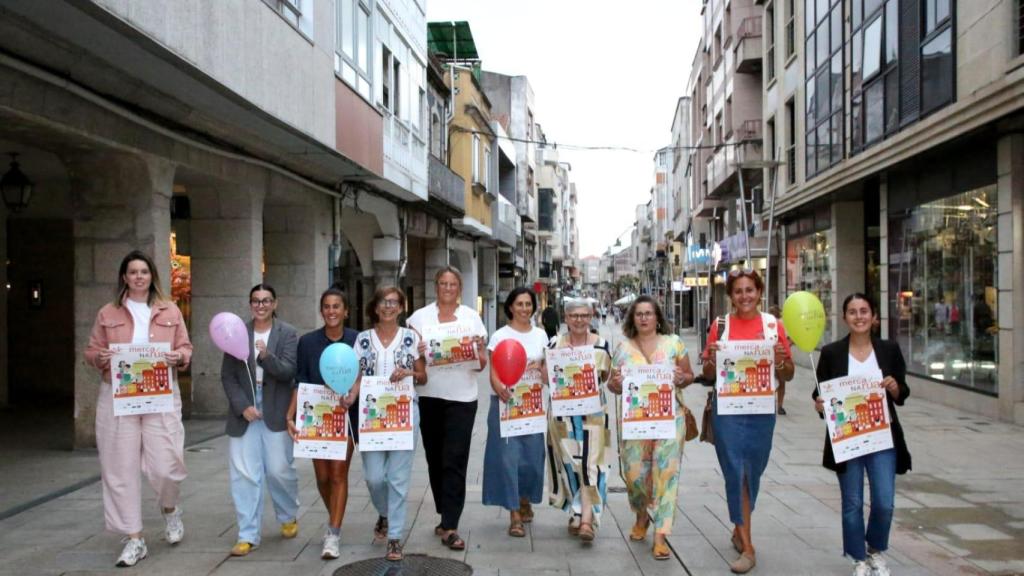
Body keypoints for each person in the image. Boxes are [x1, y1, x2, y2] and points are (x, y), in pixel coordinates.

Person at [85, 250, 192, 567]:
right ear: (124, 277)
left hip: (160, 393)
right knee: (119, 468)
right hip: (119, 394)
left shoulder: (169, 309)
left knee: (166, 464)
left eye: (143, 272)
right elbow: (91, 350)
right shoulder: (108, 312)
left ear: (151, 276)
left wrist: (179, 357)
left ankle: (170, 508)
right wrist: (99, 357)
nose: (138, 277)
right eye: (132, 272)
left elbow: (185, 347)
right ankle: (134, 538)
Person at [700, 269, 794, 574]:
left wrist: (780, 359)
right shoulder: (720, 326)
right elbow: (709, 374)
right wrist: (711, 358)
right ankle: (748, 547)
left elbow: (788, 373)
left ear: (759, 292)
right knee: (736, 472)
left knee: (753, 471)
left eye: (749, 290)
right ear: (731, 296)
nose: (744, 296)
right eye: (738, 291)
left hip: (761, 410)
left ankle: (739, 527)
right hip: (727, 411)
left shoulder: (772, 325)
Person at [814, 293, 911, 576]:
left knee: (884, 501)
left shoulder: (888, 349)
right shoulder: (832, 353)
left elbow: (902, 391)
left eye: (864, 311)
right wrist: (820, 404)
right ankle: (858, 557)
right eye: (853, 312)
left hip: (882, 436)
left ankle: (875, 550)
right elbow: (820, 394)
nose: (859, 317)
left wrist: (895, 388)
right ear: (845, 317)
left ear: (874, 316)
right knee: (852, 502)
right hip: (847, 439)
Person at [607, 295, 695, 560]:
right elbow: (612, 384)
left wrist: (681, 378)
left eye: (649, 313)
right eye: (639, 314)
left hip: (670, 420)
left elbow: (689, 376)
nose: (644, 318)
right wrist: (616, 383)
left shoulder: (674, 343)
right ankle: (641, 514)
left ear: (658, 317)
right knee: (634, 475)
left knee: (666, 474)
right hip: (635, 422)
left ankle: (661, 534)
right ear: (632, 319)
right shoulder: (623, 348)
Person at [406, 266, 487, 551]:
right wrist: (418, 353)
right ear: (436, 286)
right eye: (443, 283)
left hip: (462, 398)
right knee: (435, 459)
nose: (448, 288)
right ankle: (444, 513)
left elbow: (481, 364)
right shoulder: (419, 318)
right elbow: (412, 360)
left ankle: (451, 525)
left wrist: (476, 349)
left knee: (455, 459)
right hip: (430, 396)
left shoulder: (471, 318)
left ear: (460, 288)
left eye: (453, 284)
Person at [221, 284, 300, 556]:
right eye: (256, 301)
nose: (261, 305)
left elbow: (289, 371)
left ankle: (288, 515)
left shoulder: (287, 333)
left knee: (279, 470)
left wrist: (266, 357)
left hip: (276, 409)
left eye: (266, 301)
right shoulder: (237, 333)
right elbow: (228, 376)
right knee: (244, 475)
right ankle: (247, 534)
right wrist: (242, 406)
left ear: (275, 304)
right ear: (250, 304)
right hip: (245, 411)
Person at [350, 286, 427, 562]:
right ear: (375, 306)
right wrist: (350, 396)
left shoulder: (411, 337)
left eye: (394, 302)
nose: (388, 306)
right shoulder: (362, 339)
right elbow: (357, 377)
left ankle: (394, 537)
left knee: (397, 477)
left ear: (402, 307)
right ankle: (384, 512)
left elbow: (423, 376)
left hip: (403, 413)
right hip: (371, 415)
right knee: (373, 477)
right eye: (383, 301)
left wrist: (409, 372)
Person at [287, 286, 358, 560]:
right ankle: (334, 516)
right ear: (321, 311)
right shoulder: (307, 342)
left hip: (346, 415)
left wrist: (352, 393)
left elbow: (363, 375)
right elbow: (300, 381)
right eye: (327, 306)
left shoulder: (357, 340)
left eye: (336, 306)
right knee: (323, 477)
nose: (331, 311)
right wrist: (290, 415)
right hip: (316, 417)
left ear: (346, 311)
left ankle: (333, 533)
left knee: (338, 474)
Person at [483, 287, 549, 538]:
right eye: (519, 304)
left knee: (532, 461)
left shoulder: (541, 335)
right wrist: (499, 388)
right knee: (508, 459)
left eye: (528, 304)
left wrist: (540, 368)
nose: (524, 309)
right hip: (506, 406)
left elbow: (547, 372)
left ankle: (524, 498)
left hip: (533, 407)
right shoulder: (500, 336)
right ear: (510, 307)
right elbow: (494, 371)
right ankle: (514, 514)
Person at [546, 298, 612, 544]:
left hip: (593, 414)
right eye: (574, 316)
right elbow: (546, 377)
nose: (579, 320)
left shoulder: (601, 345)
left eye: (584, 315)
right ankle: (576, 513)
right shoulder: (554, 344)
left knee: (591, 464)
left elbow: (605, 376)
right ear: (566, 318)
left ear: (591, 317)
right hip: (562, 415)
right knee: (569, 463)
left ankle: (587, 519)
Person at [768, 305, 788, 415]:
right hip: (779, 356)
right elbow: (790, 338)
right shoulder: (781, 323)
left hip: (773, 357)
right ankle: (779, 405)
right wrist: (786, 347)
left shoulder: (778, 323)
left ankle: (776, 404)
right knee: (781, 382)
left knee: (773, 381)